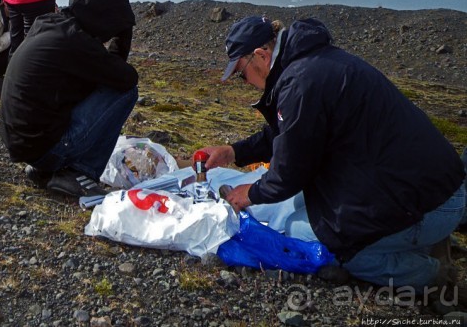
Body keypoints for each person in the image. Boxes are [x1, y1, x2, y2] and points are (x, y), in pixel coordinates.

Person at [199, 15, 465, 293]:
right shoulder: (310, 63)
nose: (245, 82)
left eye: (242, 73)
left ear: (261, 55)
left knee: (320, 239)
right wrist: (233, 152)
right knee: (314, 209)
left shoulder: (300, 82)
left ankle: (432, 275)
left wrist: (250, 193)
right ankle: (420, 237)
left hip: (427, 202)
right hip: (429, 185)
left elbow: (289, 173)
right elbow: (292, 133)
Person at [0, 0, 138, 198]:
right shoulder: (77, 43)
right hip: (44, 148)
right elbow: (126, 78)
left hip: (23, 144)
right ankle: (78, 172)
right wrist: (123, 33)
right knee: (127, 92)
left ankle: (44, 169)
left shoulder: (50, 24)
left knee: (100, 83)